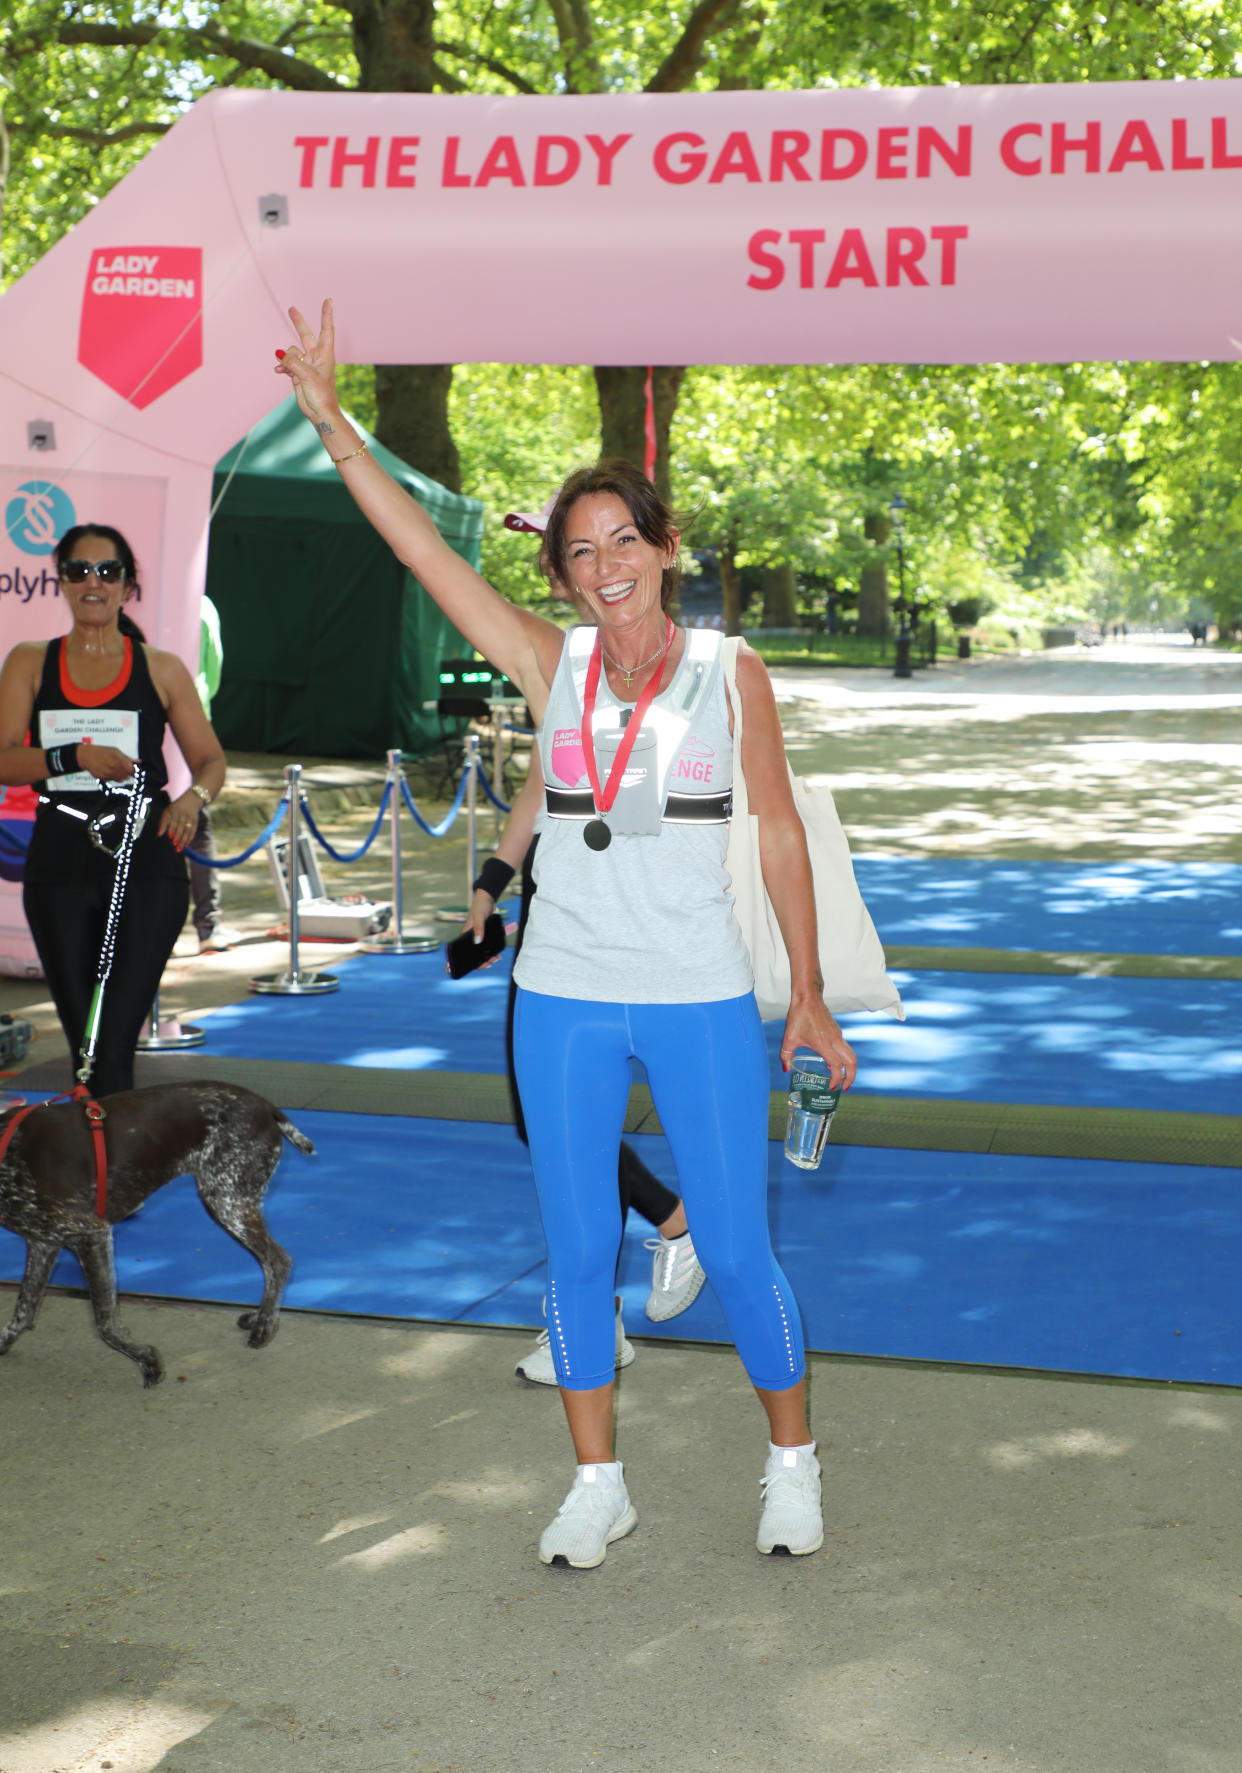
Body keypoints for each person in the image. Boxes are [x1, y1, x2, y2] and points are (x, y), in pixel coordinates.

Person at [277, 301, 857, 1569]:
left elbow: (773, 832)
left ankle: (792, 1464)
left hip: (700, 991)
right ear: (563, 574)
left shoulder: (730, 669)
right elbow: (426, 557)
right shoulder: (551, 666)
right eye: (579, 551)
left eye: (622, 540)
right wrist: (336, 431)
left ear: (663, 545)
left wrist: (804, 995)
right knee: (582, 1241)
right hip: (565, 994)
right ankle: (599, 1483)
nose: (603, 566)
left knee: (743, 1243)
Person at [463, 753, 707, 1384]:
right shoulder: (567, 691)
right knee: (547, 1128)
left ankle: (601, 1310)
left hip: (618, 951)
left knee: (568, 1135)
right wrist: (488, 888)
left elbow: (636, 832)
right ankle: (648, 1256)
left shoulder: (644, 704)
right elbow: (532, 798)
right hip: (550, 946)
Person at [0, 524, 226, 1095]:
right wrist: (73, 756)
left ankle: (113, 1177)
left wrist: (193, 800)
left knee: (116, 1045)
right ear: (63, 582)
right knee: (86, 1043)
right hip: (59, 861)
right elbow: (2, 759)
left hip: (144, 861)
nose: (92, 582)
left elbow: (210, 761)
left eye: (107, 571)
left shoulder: (162, 668)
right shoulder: (29, 662)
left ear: (129, 585)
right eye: (78, 571)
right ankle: (100, 1165)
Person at [187, 593, 242, 953]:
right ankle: (209, 926)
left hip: (142, 723)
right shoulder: (203, 605)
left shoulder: (136, 595)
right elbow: (215, 668)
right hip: (193, 723)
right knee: (198, 825)